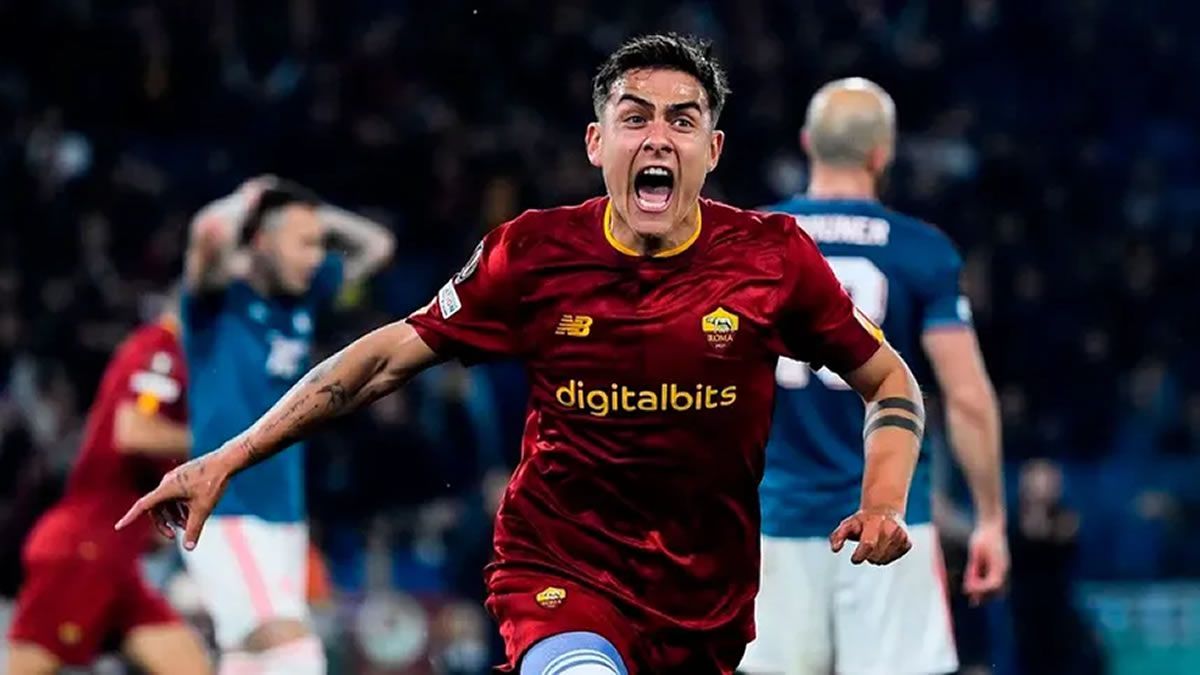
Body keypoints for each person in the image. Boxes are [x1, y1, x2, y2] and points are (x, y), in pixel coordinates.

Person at [119, 35, 925, 675]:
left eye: (682, 121)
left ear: (712, 150)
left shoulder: (772, 259)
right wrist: (232, 452)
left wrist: (884, 499)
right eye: (635, 117)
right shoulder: (533, 254)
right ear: (596, 142)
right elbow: (384, 358)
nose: (658, 136)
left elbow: (890, 380)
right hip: (559, 570)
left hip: (703, 600)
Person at [739, 78, 1008, 675]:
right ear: (882, 154)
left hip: (770, 522)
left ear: (807, 143)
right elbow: (966, 396)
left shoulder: (750, 241)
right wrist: (990, 519)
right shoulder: (921, 250)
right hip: (890, 527)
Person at [172, 176, 394, 674]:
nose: (316, 257)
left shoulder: (302, 299)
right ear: (261, 242)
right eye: (304, 244)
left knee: (250, 657)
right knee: (293, 647)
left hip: (285, 511)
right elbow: (207, 234)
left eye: (319, 244)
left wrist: (308, 211)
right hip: (228, 508)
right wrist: (250, 200)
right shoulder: (215, 300)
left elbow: (378, 246)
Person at [7, 303, 211, 675]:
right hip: (85, 550)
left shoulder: (169, 356)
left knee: (191, 668)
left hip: (117, 558)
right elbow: (134, 429)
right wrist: (217, 446)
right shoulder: (161, 351)